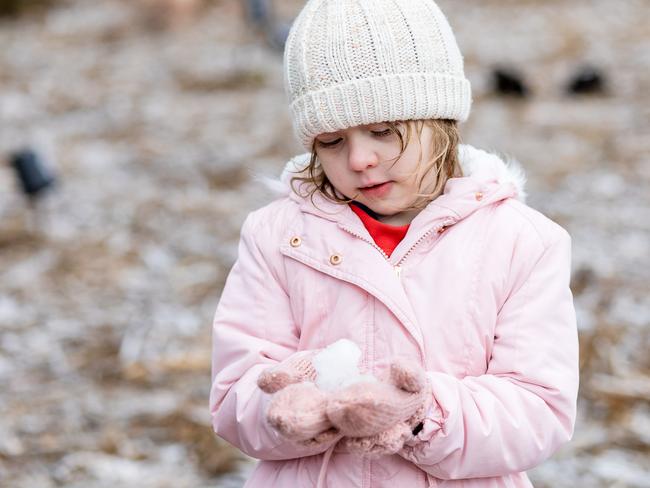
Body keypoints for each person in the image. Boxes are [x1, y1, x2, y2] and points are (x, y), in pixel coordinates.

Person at [209, 0, 579, 486]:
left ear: (439, 118)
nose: (360, 158)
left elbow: (538, 409)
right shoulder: (279, 237)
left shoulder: (520, 243)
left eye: (383, 131)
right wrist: (289, 408)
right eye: (331, 141)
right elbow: (234, 396)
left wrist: (420, 411)